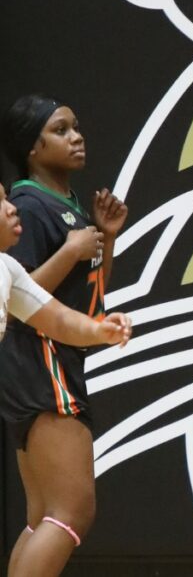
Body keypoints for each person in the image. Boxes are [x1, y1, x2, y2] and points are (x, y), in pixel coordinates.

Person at [0, 95, 131, 577]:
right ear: (32, 147)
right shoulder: (29, 205)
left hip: (43, 362)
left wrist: (104, 237)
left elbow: (86, 299)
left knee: (43, 517)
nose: (76, 136)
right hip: (40, 361)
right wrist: (73, 251)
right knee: (72, 512)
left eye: (76, 127)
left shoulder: (69, 205)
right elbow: (23, 297)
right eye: (60, 130)